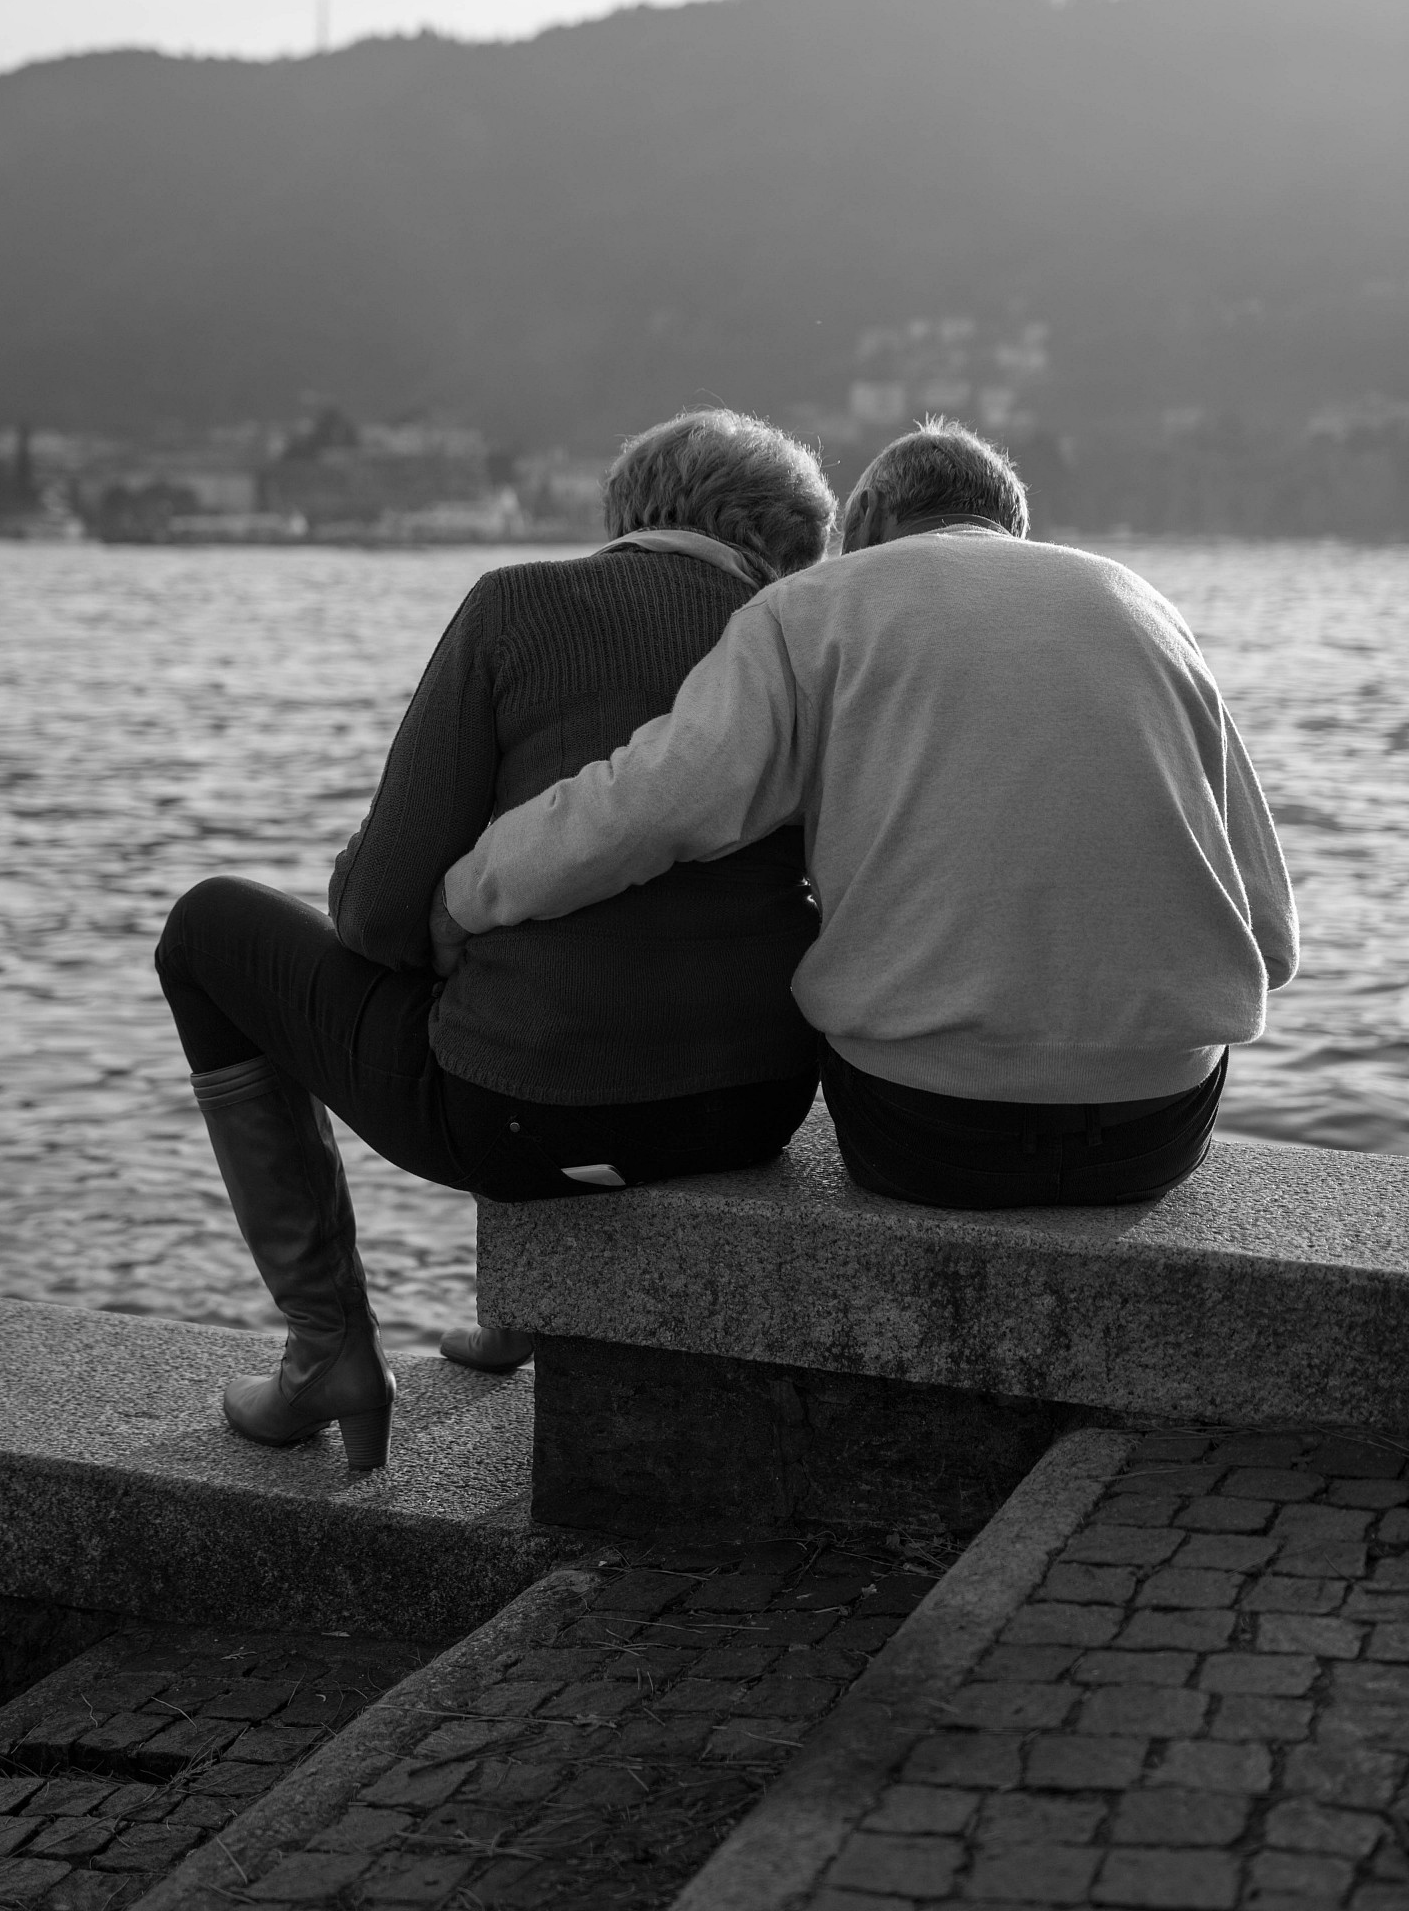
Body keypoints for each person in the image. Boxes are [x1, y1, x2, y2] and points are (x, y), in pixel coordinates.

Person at [155, 409, 836, 1464]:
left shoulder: (520, 604)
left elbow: (380, 913)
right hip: (752, 1111)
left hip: (526, 1123)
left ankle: (324, 1349)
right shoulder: (808, 646)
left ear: (627, 511)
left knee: (208, 933)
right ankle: (515, 1314)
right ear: (793, 544)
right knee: (561, 953)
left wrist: (385, 869)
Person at [436, 418, 1298, 1212]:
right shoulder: (1144, 608)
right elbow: (1271, 939)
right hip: (1161, 1128)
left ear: (874, 514)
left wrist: (469, 893)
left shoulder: (813, 607)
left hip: (929, 1129)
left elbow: (650, 804)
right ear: (1010, 529)